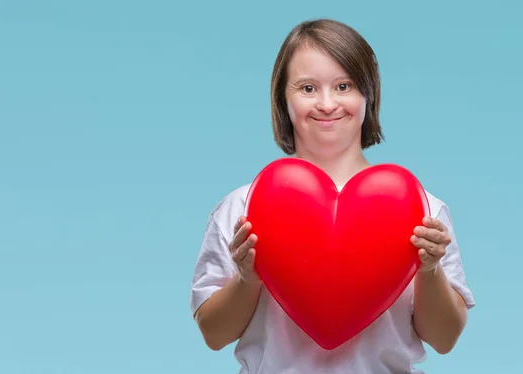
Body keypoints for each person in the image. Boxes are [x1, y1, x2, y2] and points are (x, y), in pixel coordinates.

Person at [189, 18, 475, 374]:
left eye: (344, 86)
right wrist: (249, 277)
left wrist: (429, 269)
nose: (326, 104)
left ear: (368, 94)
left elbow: (445, 339)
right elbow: (213, 335)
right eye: (307, 88)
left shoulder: (422, 209)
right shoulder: (240, 209)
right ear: (283, 99)